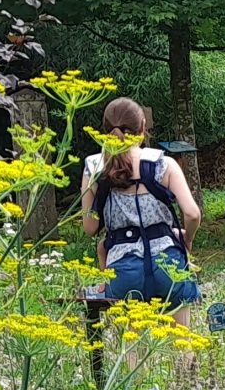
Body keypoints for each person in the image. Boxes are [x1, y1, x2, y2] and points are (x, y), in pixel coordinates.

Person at [81, 97, 202, 328]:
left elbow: (90, 228)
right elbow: (193, 214)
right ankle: (187, 365)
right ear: (143, 126)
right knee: (184, 343)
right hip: (168, 264)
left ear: (105, 131)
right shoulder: (164, 164)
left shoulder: (93, 167)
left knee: (131, 354)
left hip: (122, 268)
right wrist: (186, 238)